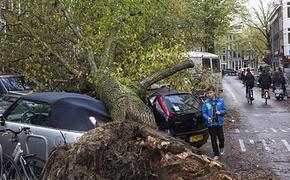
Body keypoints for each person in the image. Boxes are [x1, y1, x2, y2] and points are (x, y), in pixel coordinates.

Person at [202, 86, 227, 160]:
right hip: (211, 124)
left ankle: (221, 147)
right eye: (208, 93)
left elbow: (225, 110)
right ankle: (216, 154)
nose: (209, 94)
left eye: (210, 92)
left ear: (214, 92)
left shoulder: (220, 101)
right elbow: (204, 113)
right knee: (213, 140)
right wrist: (207, 118)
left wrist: (220, 112)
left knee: (221, 138)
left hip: (219, 123)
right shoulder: (206, 103)